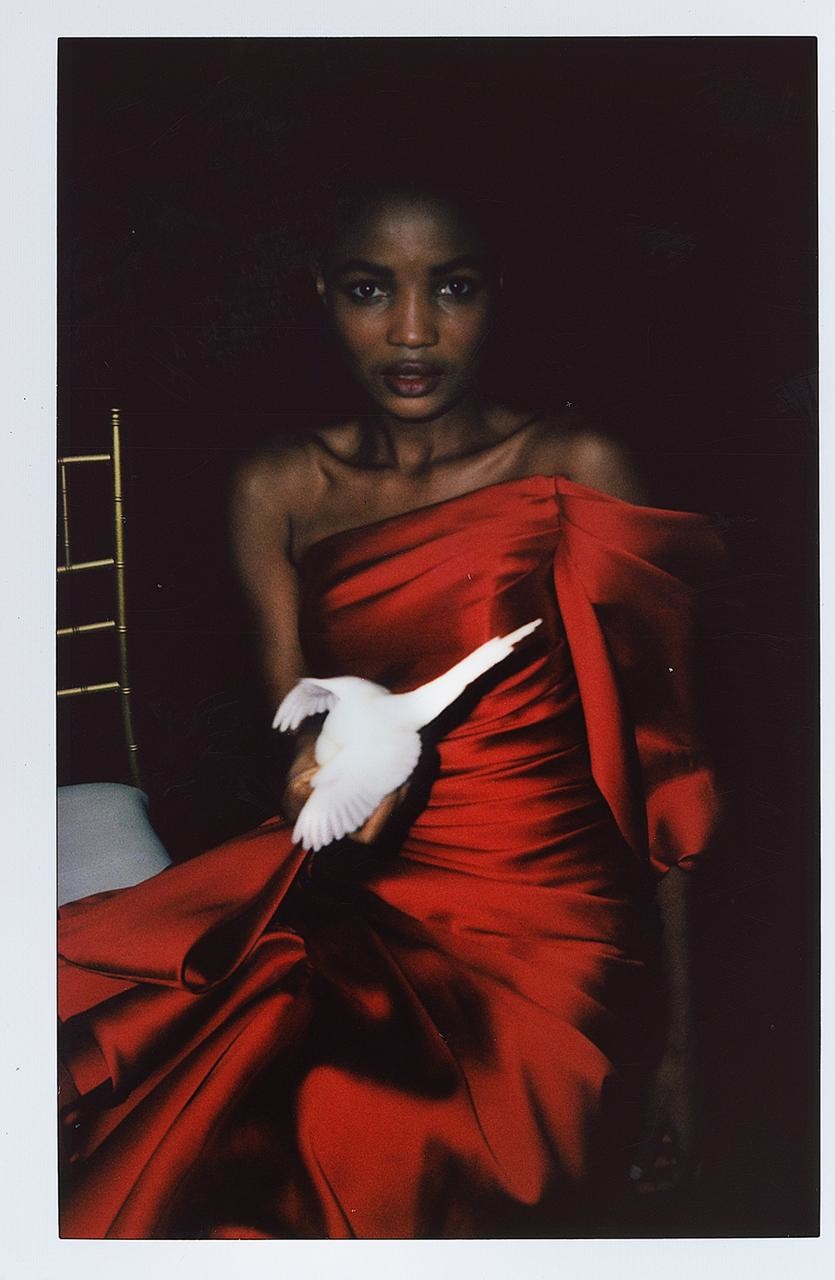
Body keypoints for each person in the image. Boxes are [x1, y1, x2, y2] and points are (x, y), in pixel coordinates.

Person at [57, 177, 724, 1238]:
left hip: (553, 936)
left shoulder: (574, 470)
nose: (413, 332)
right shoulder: (281, 486)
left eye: (452, 287)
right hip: (365, 903)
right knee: (220, 1123)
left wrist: (685, 1053)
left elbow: (669, 773)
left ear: (498, 291)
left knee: (368, 1132)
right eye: (371, 289)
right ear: (321, 291)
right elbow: (300, 735)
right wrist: (315, 780)